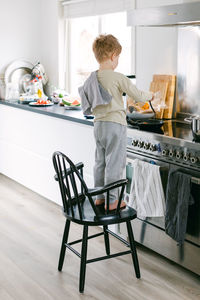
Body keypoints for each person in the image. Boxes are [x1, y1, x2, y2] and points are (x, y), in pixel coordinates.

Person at [79, 34, 154, 211]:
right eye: (118, 57)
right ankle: (113, 201)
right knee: (115, 163)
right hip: (115, 125)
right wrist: (151, 95)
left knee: (100, 162)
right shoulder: (118, 77)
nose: (117, 60)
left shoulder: (92, 78)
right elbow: (137, 95)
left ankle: (99, 197)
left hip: (98, 126)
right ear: (113, 56)